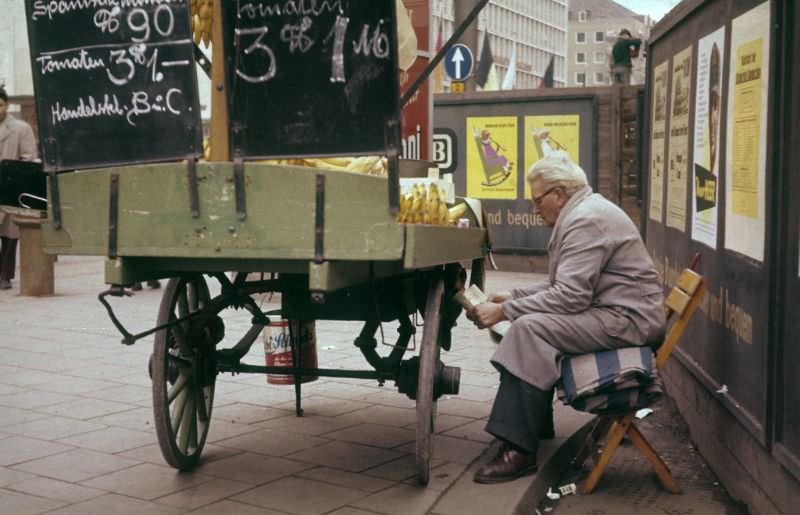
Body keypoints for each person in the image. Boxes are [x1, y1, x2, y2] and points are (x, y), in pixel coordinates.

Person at [466, 152, 665, 484]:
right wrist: (514, 297)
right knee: (530, 326)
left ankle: (520, 450)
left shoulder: (585, 219)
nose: (534, 208)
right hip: (619, 313)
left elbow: (570, 297)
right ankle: (533, 428)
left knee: (529, 329)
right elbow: (566, 285)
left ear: (559, 194)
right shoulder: (586, 211)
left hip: (627, 321)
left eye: (537, 199)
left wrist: (505, 311)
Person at [0, 87, 38, 290]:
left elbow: (29, 158)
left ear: (6, 105)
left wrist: (14, 178)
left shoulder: (21, 128)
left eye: (0, 105)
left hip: (10, 188)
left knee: (9, 236)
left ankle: (5, 275)